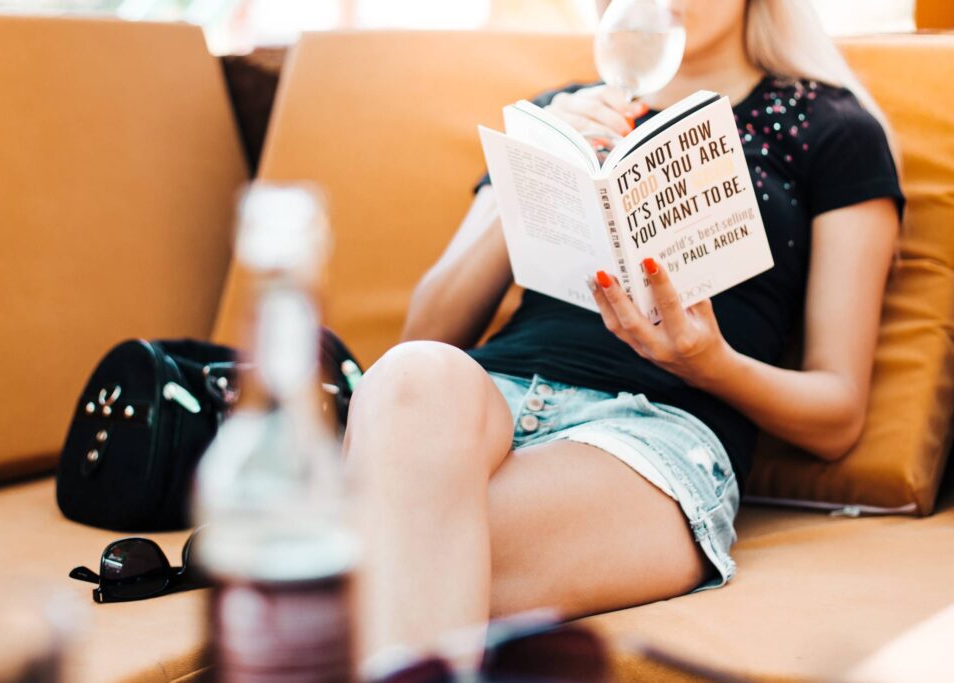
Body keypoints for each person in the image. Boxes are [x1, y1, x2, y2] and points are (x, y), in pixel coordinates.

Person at [342, 0, 904, 670]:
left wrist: (711, 363)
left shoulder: (829, 128)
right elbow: (429, 329)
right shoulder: (558, 114)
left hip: (655, 428)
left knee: (396, 538)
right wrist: (534, 166)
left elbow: (837, 412)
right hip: (492, 397)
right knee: (411, 374)